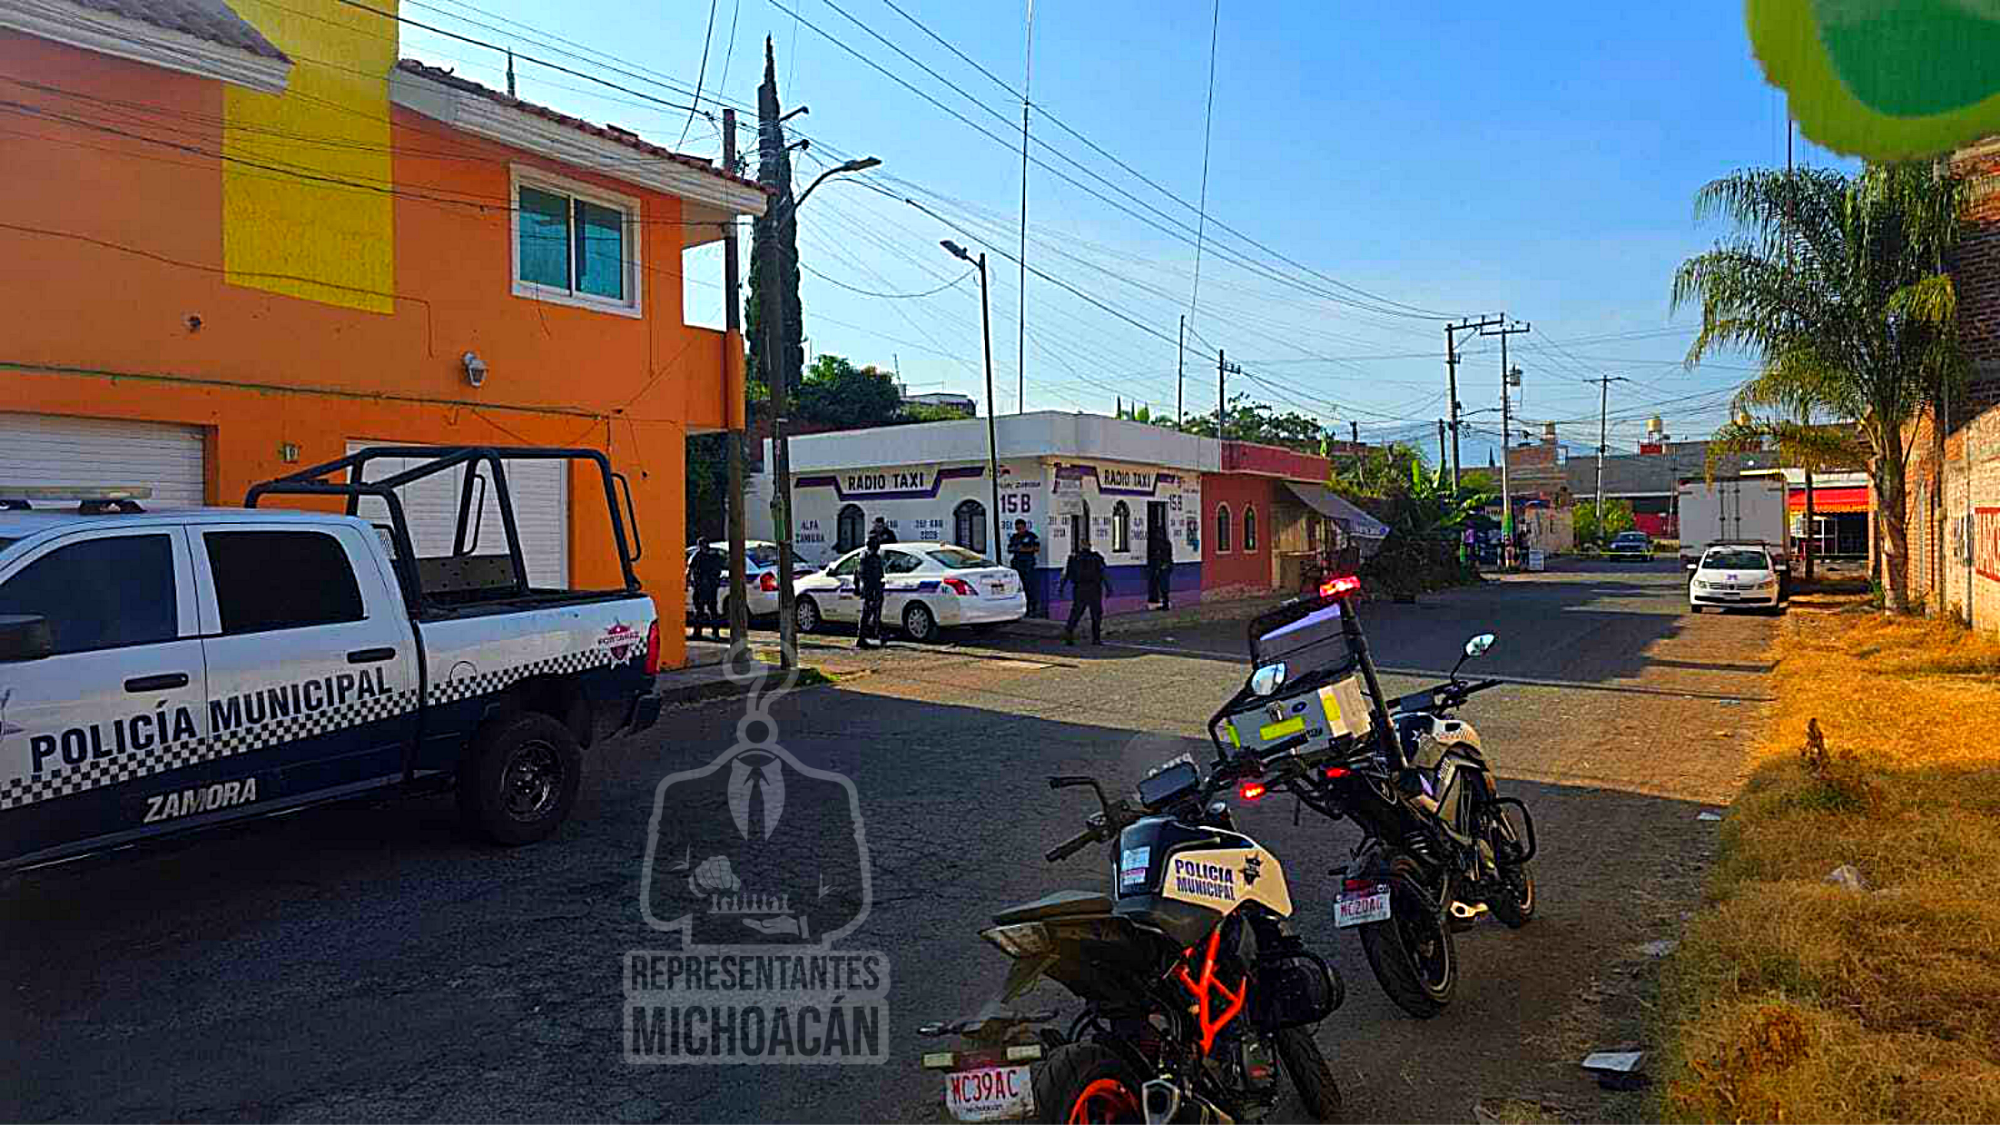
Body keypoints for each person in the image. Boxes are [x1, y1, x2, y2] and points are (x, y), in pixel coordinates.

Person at [1059, 541, 1110, 646]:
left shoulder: (1073, 558)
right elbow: (1103, 573)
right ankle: (1096, 638)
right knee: (1096, 614)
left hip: (1079, 588)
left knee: (1076, 613)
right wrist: (1108, 587)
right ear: (1090, 547)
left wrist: (1061, 588)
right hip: (1094, 588)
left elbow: (1066, 574)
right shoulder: (1096, 557)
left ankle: (1069, 635)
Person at [689, 538, 724, 641]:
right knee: (712, 611)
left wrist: (689, 582)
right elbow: (719, 570)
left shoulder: (697, 556)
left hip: (700, 587)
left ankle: (697, 633)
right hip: (712, 587)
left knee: (699, 611)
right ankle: (715, 633)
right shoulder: (714, 556)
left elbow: (690, 569)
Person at [856, 537, 887, 649]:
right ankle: (862, 638)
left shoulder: (870, 557)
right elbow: (863, 575)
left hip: (874, 588)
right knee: (868, 613)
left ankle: (879, 635)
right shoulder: (868, 558)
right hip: (871, 589)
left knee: (875, 613)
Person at [1006, 518, 1041, 615]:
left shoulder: (1031, 536)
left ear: (1025, 527)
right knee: (1018, 587)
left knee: (1030, 587)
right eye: (1017, 528)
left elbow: (1036, 548)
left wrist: (1022, 549)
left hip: (1028, 564)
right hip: (1017, 564)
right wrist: (1016, 549)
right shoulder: (1014, 537)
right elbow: (1010, 549)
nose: (1019, 530)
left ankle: (1032, 608)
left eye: (1021, 528)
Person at [1146, 523, 1174, 610]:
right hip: (1164, 567)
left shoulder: (1159, 544)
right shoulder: (1166, 543)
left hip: (1162, 567)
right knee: (1163, 586)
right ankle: (1163, 602)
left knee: (1162, 586)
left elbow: (1160, 556)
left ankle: (1163, 602)